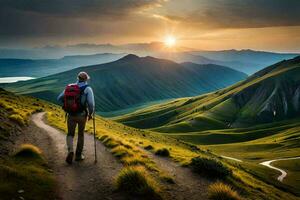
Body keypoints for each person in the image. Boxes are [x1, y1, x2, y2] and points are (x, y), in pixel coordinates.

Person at [57, 71, 95, 164]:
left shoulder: (70, 87)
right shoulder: (88, 88)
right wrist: (90, 114)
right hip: (82, 115)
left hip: (71, 115)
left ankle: (70, 151)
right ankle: (78, 155)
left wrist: (68, 105)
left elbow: (59, 98)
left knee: (70, 134)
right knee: (81, 134)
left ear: (77, 78)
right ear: (86, 79)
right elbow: (91, 103)